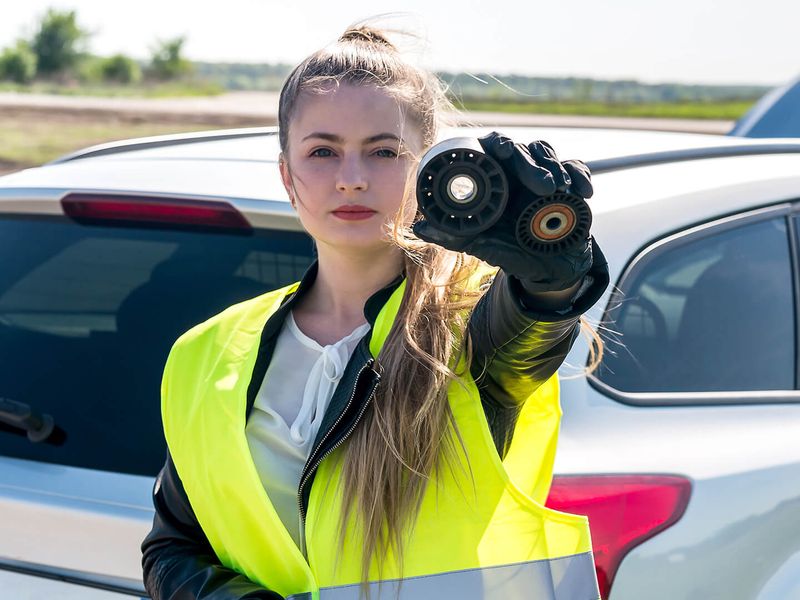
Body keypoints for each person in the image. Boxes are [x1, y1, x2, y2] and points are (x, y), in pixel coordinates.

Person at [141, 25, 610, 600]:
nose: (352, 178)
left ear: (429, 168)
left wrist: (553, 277)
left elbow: (529, 327)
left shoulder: (466, 326)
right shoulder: (206, 353)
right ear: (287, 177)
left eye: (384, 151)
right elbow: (172, 548)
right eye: (323, 151)